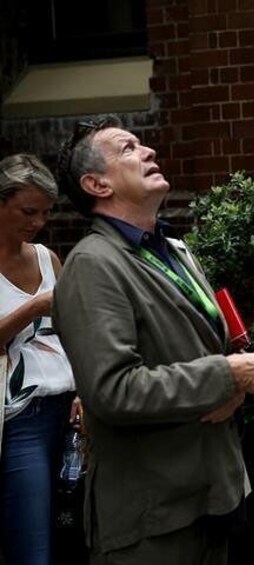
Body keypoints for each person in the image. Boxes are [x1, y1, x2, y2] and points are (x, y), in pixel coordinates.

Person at [51, 116, 254, 564]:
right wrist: (227, 373)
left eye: (142, 145)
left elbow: (200, 350)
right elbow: (113, 390)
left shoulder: (172, 250)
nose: (147, 152)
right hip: (153, 516)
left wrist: (236, 387)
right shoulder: (93, 266)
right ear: (97, 184)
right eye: (127, 149)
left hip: (210, 495)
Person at [0, 154, 78, 565]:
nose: (38, 222)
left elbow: (78, 334)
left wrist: (86, 390)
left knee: (73, 535)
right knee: (33, 547)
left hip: (71, 415)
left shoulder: (49, 258)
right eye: (29, 211)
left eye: (46, 212)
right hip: (21, 420)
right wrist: (33, 309)